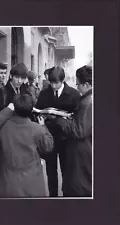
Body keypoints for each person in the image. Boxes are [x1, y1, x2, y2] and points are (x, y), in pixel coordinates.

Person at [36, 66, 81, 197]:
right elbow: (38, 109)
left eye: (56, 83)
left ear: (63, 80)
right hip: (50, 137)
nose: (53, 86)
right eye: (51, 82)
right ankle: (53, 197)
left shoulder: (74, 94)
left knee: (67, 170)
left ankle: (67, 196)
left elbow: (78, 117)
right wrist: (41, 115)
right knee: (51, 170)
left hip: (66, 138)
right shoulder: (44, 93)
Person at [0, 94, 54, 197]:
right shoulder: (37, 129)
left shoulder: (3, 126)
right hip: (32, 177)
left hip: (10, 177)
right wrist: (43, 126)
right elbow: (48, 147)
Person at [51, 65, 92, 197]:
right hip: (78, 150)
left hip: (80, 152)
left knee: (77, 186)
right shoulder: (87, 99)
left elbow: (79, 130)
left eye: (78, 84)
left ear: (87, 84)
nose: (77, 86)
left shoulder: (87, 102)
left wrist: (58, 119)